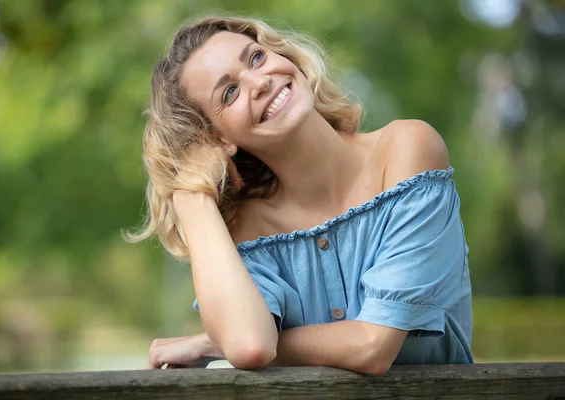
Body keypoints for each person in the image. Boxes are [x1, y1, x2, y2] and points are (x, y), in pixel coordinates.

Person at [127, 15, 473, 375]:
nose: (259, 82)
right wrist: (190, 193)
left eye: (256, 58)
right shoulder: (247, 228)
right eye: (229, 93)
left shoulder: (407, 149)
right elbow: (249, 345)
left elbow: (374, 345)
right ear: (218, 140)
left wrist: (212, 346)